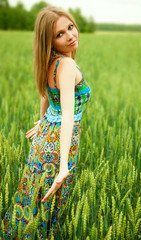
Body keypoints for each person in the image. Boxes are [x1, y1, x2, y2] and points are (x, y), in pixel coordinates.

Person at [2, 5, 91, 239]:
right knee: (49, 210)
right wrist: (63, 167)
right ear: (51, 42)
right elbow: (68, 116)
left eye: (70, 27)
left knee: (31, 201)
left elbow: (46, 96)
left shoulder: (50, 61)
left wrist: (44, 121)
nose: (70, 35)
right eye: (60, 34)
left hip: (43, 142)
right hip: (61, 144)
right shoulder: (68, 65)